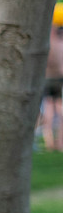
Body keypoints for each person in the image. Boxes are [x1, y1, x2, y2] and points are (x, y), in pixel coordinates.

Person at [42, 18, 63, 151]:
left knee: (49, 109)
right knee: (59, 111)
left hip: (48, 78)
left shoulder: (47, 45)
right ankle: (60, 143)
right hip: (59, 79)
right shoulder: (60, 45)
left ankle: (49, 142)